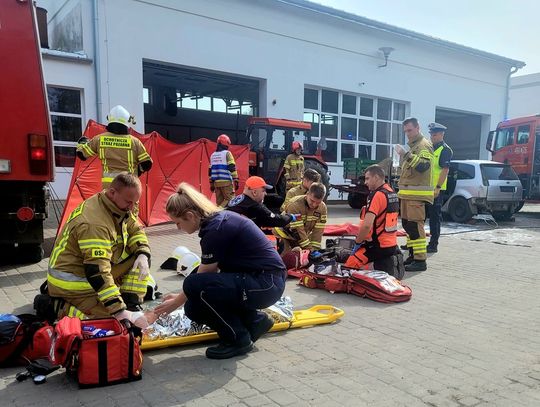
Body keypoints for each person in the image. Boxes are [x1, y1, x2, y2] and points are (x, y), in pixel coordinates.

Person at [153, 183, 286, 359]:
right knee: (194, 307)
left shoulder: (216, 229)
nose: (178, 228)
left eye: (178, 223)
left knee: (193, 286)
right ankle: (255, 321)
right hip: (262, 281)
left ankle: (238, 339)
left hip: (265, 284)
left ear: (190, 216)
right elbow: (205, 269)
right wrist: (181, 296)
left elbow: (203, 276)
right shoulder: (217, 222)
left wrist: (176, 302)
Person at [46, 173, 153, 327]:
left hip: (88, 271)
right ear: (112, 193)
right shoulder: (95, 224)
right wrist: (118, 310)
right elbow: (97, 272)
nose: (132, 208)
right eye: (129, 202)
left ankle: (130, 302)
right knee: (108, 323)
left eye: (135, 203)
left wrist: (143, 253)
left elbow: (135, 230)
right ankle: (56, 306)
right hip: (74, 283)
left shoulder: (115, 205)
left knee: (139, 254)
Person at [344, 165, 404, 277]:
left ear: (376, 177)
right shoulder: (391, 193)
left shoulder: (377, 195)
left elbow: (367, 226)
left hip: (378, 245)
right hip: (392, 245)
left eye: (367, 179)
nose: (365, 182)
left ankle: (372, 270)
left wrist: (358, 242)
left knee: (349, 265)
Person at [76, 105, 152, 189]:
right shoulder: (135, 142)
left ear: (110, 120)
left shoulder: (99, 139)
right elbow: (147, 163)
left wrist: (82, 143)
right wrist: (138, 171)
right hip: (129, 185)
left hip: (109, 188)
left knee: (107, 202)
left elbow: (82, 155)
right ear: (127, 122)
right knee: (129, 202)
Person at [395, 117, 434, 272]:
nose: (407, 134)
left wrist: (406, 155)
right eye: (405, 131)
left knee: (416, 227)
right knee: (408, 226)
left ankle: (420, 260)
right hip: (407, 195)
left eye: (410, 130)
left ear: (418, 128)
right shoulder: (414, 146)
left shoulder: (423, 145)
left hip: (417, 196)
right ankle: (412, 255)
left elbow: (423, 166)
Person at [273, 182, 327, 254]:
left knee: (306, 258)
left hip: (301, 237)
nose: (314, 205)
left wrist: (315, 249)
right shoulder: (295, 205)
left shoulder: (322, 208)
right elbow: (297, 230)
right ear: (307, 194)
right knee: (287, 258)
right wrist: (309, 249)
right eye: (312, 201)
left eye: (318, 202)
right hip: (283, 234)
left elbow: (318, 230)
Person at [227, 176, 297, 228]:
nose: (265, 194)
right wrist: (290, 216)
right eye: (263, 191)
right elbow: (276, 220)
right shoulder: (254, 206)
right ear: (254, 192)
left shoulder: (237, 200)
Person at [426, 122, 453, 253]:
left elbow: (444, 170)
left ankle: (433, 244)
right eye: (431, 134)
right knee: (421, 216)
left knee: (434, 217)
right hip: (425, 188)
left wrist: (437, 187)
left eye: (435, 134)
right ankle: (415, 243)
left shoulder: (445, 150)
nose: (432, 137)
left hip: (436, 189)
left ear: (442, 134)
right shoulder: (430, 148)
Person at [209, 134, 239, 207]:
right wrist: (236, 179)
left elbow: (210, 171)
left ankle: (218, 214)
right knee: (230, 199)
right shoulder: (227, 153)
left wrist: (211, 184)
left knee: (219, 202)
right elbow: (231, 167)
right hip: (226, 182)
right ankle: (217, 211)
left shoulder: (213, 155)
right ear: (227, 144)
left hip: (216, 183)